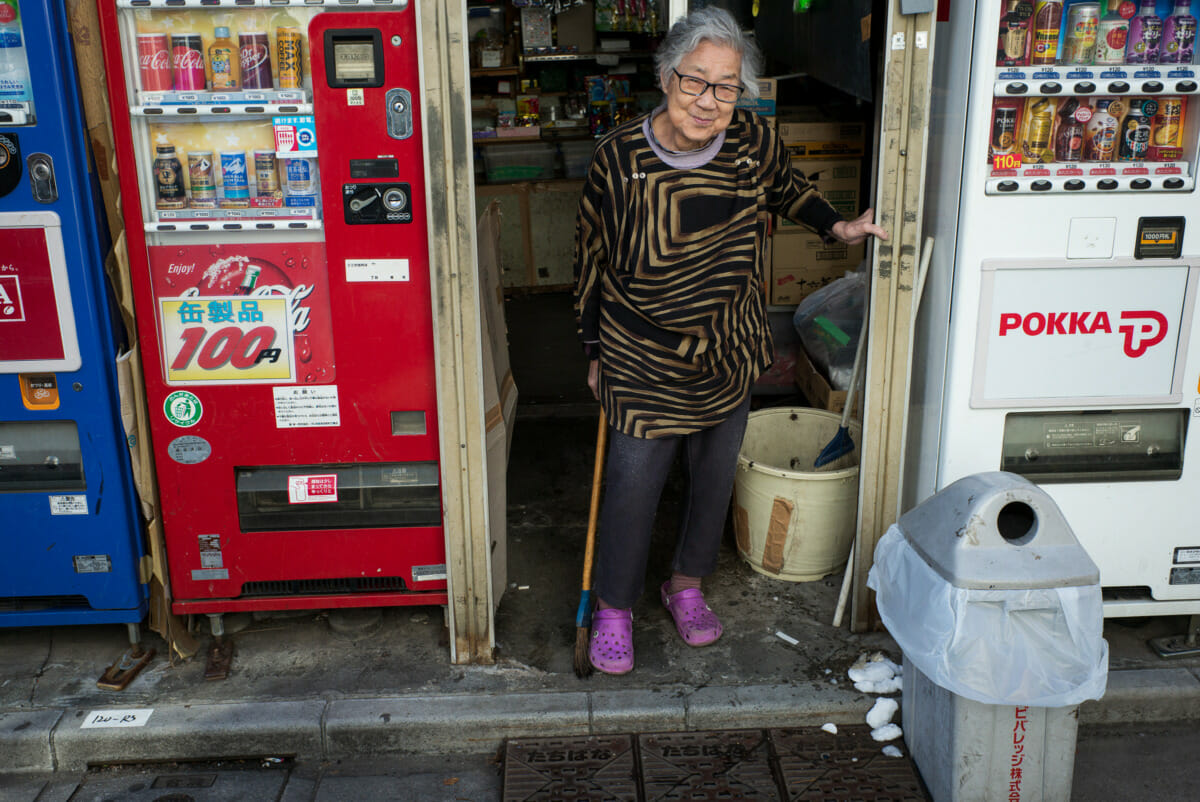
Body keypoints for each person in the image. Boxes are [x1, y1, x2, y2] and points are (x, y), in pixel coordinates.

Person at [573, 7, 887, 676]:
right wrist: (593, 353)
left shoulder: (750, 140)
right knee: (633, 486)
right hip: (640, 352)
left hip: (727, 347)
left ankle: (685, 585)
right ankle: (615, 606)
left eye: (725, 86)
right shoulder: (617, 159)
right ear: (666, 77)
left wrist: (839, 228)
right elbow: (591, 262)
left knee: (712, 481)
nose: (709, 100)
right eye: (695, 82)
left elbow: (788, 189)